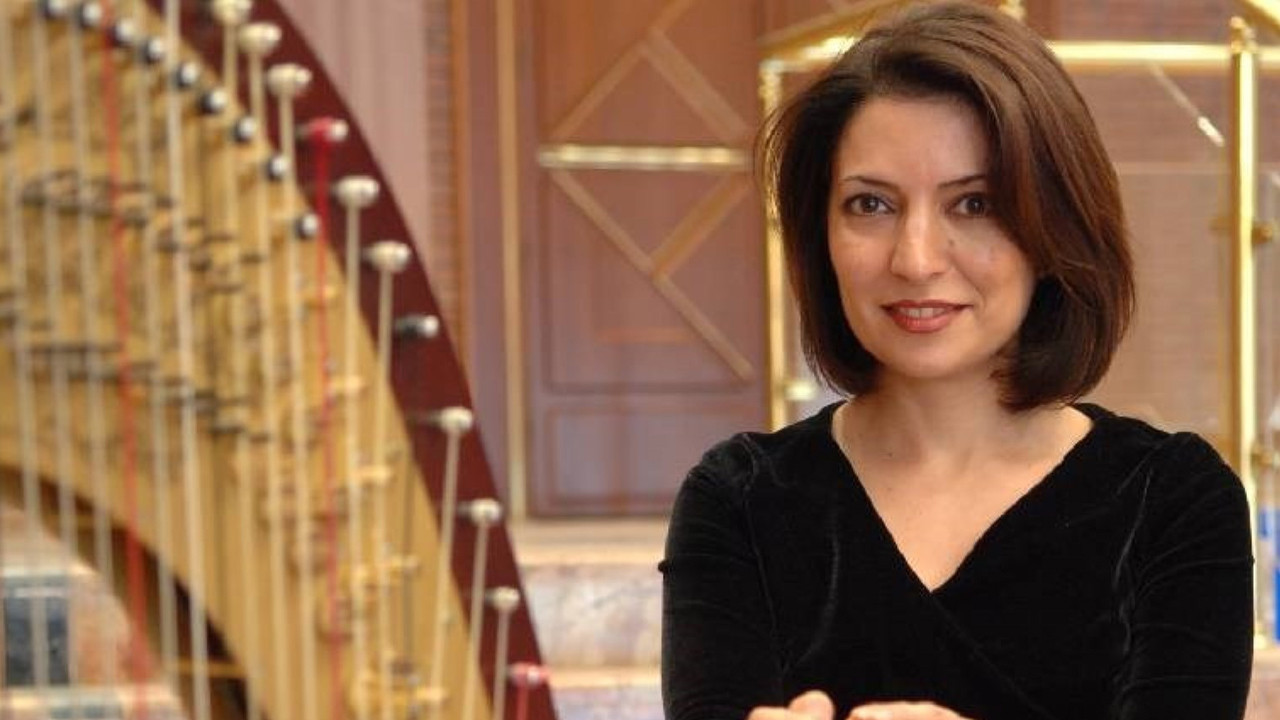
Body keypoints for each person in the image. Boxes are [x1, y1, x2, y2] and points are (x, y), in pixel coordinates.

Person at [659, 3, 1254, 720]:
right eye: (870, 204)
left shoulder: (1175, 500)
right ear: (821, 236)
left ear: (1056, 227)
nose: (915, 260)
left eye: (974, 204)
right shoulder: (740, 499)